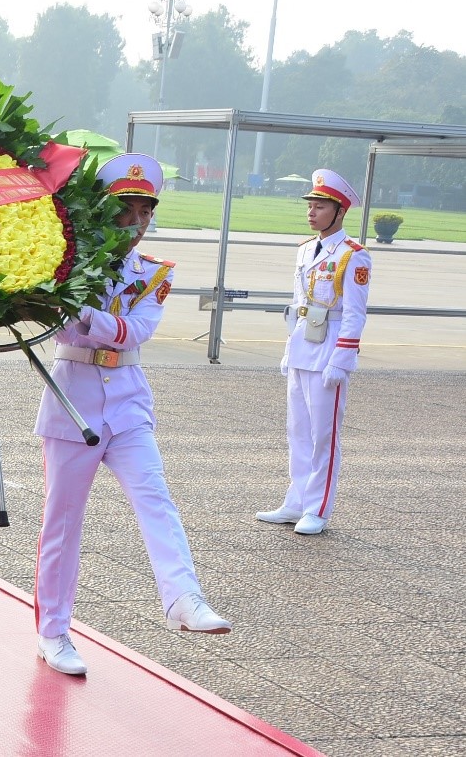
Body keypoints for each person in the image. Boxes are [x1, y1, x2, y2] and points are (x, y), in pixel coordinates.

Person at [33, 153, 231, 677]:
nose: (137, 222)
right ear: (104, 210)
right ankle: (52, 632)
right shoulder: (66, 264)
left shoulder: (153, 274)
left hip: (127, 402)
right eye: (127, 209)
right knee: (62, 524)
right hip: (72, 401)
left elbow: (135, 332)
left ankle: (183, 598)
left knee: (155, 497)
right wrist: (67, 303)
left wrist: (81, 313)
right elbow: (57, 332)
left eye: (145, 211)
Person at [258, 169, 372, 536]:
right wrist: (288, 348)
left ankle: (318, 508)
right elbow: (298, 304)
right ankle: (296, 500)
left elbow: (355, 313)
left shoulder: (353, 256)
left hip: (330, 347)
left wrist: (342, 359)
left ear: (339, 212)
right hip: (303, 344)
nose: (312, 212)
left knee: (324, 434)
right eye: (310, 205)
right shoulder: (306, 249)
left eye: (320, 206)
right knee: (299, 430)